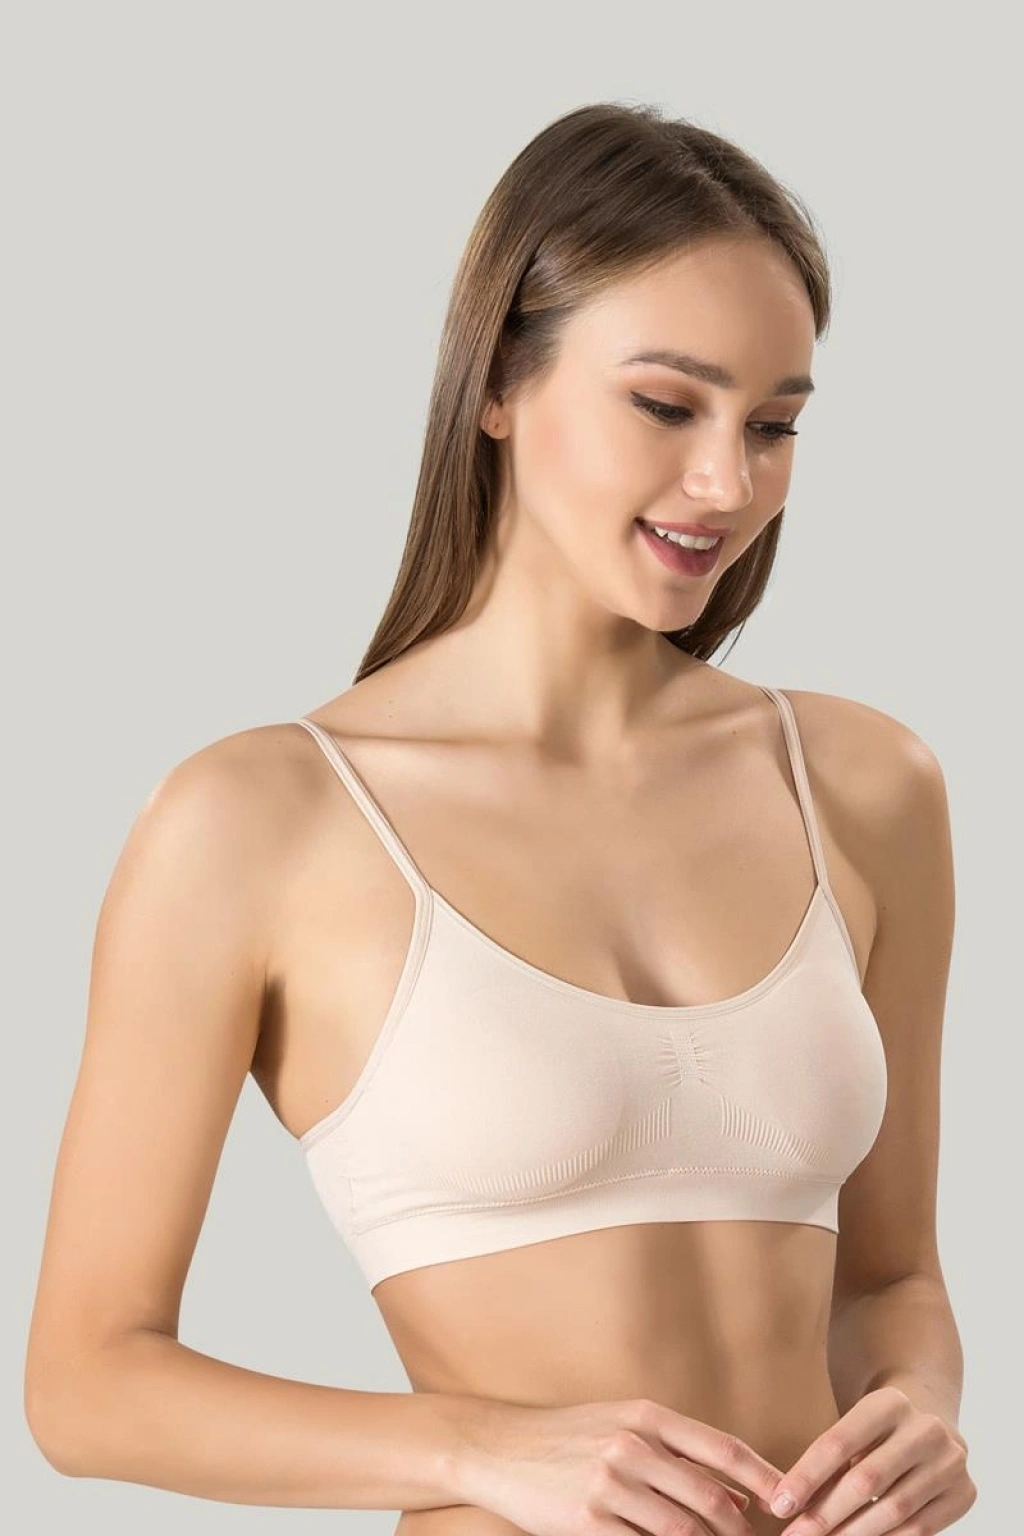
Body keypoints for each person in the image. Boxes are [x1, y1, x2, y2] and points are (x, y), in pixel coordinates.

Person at [25, 102, 976, 1536]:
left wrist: (920, 1406)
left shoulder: (865, 781)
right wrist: (479, 1451)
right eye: (667, 406)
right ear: (497, 388)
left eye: (774, 426)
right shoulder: (256, 822)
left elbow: (892, 1278)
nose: (728, 484)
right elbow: (85, 1386)